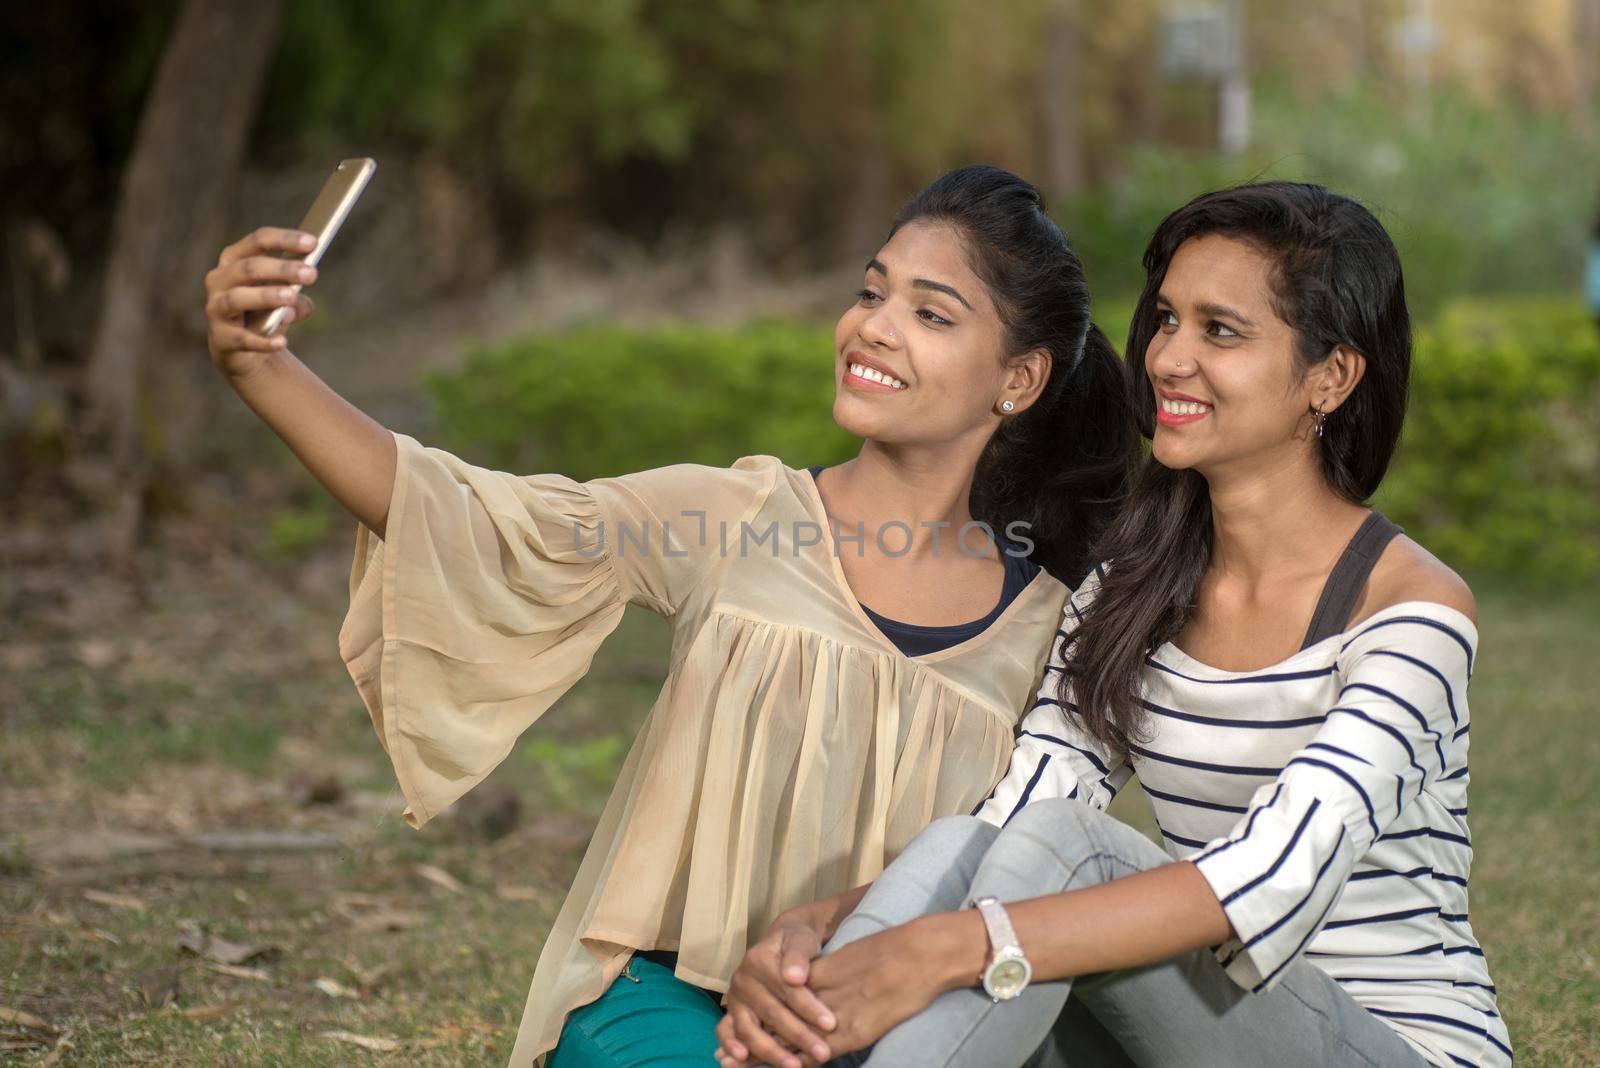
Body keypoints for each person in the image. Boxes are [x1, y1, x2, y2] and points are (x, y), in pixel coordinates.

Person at [201, 164, 1137, 1066]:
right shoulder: (732, 520)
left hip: (886, 1033)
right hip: (659, 1005)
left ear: (1017, 381)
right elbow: (472, 517)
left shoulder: (1049, 636)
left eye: (931, 314)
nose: (874, 329)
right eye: (871, 293)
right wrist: (260, 366)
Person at [716, 182, 1509, 1068]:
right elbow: (1015, 818)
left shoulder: (1411, 612)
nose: (1168, 358)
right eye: (1166, 319)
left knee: (1063, 860)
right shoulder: (1130, 589)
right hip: (1195, 1029)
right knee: (965, 843)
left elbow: (1278, 872)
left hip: (1394, 1045)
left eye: (1221, 330)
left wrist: (943, 948)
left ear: (1331, 375)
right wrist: (825, 926)